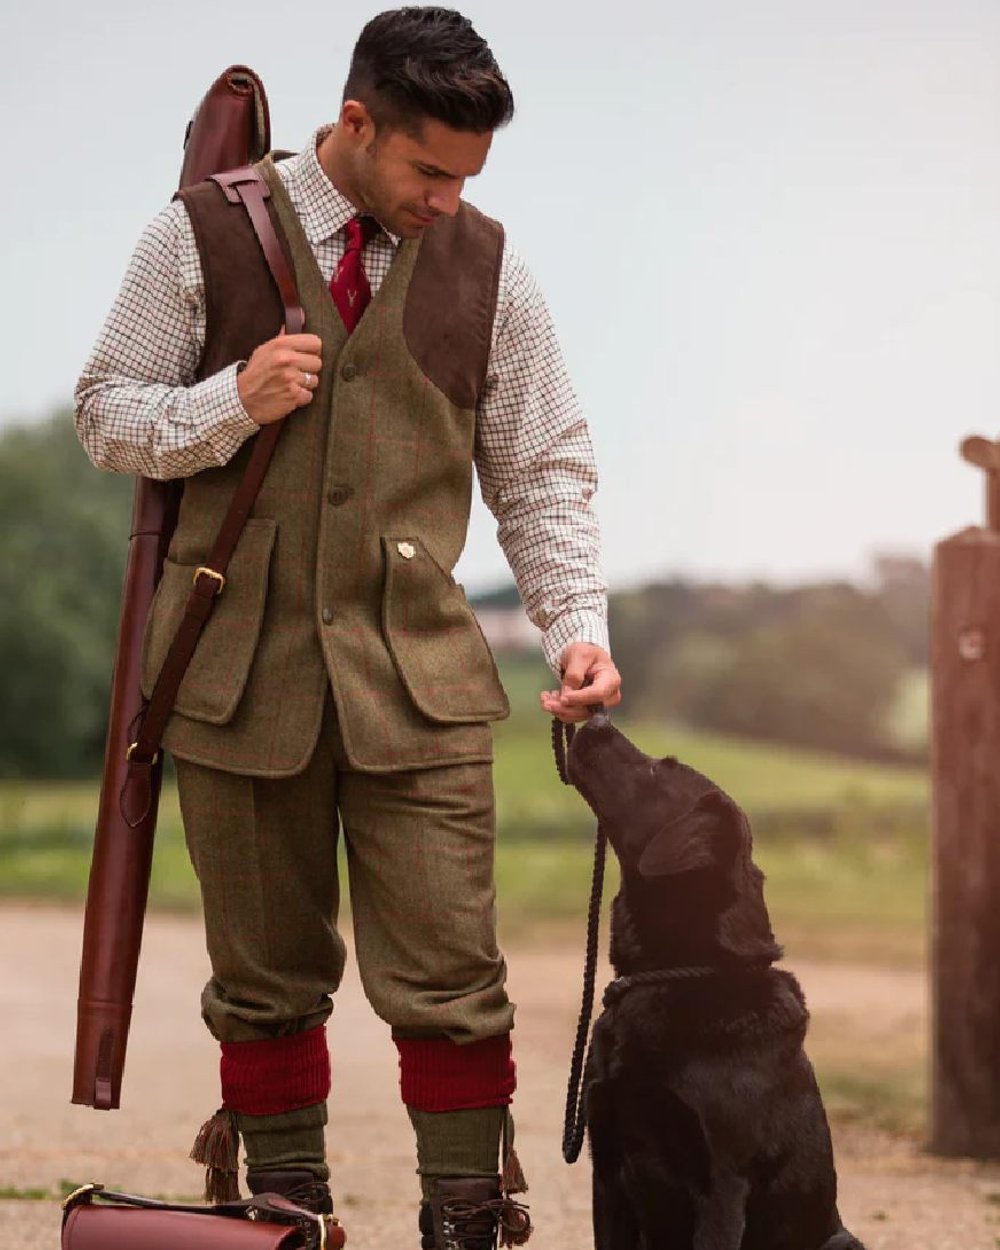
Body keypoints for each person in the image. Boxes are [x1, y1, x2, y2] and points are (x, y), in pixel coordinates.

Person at [75, 8, 621, 1248]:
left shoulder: (491, 269)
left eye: (469, 175)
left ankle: (467, 1222)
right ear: (356, 122)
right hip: (227, 676)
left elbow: (541, 465)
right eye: (429, 168)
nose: (447, 198)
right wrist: (231, 401)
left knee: (452, 982)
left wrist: (576, 623)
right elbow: (106, 413)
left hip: (418, 678)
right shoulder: (195, 232)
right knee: (263, 985)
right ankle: (284, 1216)